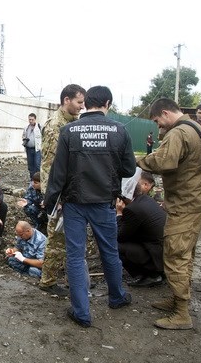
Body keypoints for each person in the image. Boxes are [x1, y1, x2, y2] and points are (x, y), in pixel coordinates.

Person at [45, 86, 136, 328]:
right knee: (109, 252)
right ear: (107, 103)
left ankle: (81, 313)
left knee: (75, 256)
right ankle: (116, 297)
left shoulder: (68, 130)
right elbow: (129, 169)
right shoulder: (119, 131)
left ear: (86, 103)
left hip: (74, 204)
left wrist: (49, 202)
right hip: (105, 202)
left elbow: (58, 172)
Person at [137, 98, 201, 330]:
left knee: (176, 255)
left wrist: (138, 161)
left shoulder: (179, 133)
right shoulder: (198, 129)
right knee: (185, 254)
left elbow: (164, 161)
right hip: (194, 201)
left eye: (158, 121)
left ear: (165, 113)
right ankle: (177, 299)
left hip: (184, 204)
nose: (159, 126)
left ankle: (181, 313)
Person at [38, 84, 85, 296]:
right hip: (59, 193)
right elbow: (50, 164)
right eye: (79, 102)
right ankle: (48, 281)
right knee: (56, 238)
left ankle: (69, 277)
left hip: (72, 189)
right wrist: (53, 196)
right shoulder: (55, 126)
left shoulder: (74, 123)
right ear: (66, 100)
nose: (82, 107)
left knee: (69, 237)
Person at [116, 171, 166, 287]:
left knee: (115, 246)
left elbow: (120, 236)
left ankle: (150, 275)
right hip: (162, 250)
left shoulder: (133, 210)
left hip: (156, 257)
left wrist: (119, 213)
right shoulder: (146, 200)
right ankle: (156, 272)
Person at [22, 113, 42, 179]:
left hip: (37, 149)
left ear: (35, 119)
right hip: (29, 149)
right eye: (29, 119)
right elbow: (23, 136)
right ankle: (32, 180)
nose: (30, 121)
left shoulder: (39, 127)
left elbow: (44, 137)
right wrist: (24, 140)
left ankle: (38, 180)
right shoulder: (26, 128)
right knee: (30, 166)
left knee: (37, 165)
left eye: (32, 119)